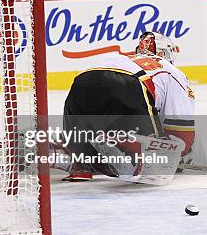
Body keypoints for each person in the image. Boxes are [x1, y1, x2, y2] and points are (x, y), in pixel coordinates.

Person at [61, 32, 195, 182]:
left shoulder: (127, 59)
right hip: (128, 84)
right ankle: (124, 150)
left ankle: (79, 164)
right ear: (166, 53)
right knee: (151, 161)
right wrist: (178, 153)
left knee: (84, 137)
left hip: (82, 82)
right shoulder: (172, 72)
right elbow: (182, 129)